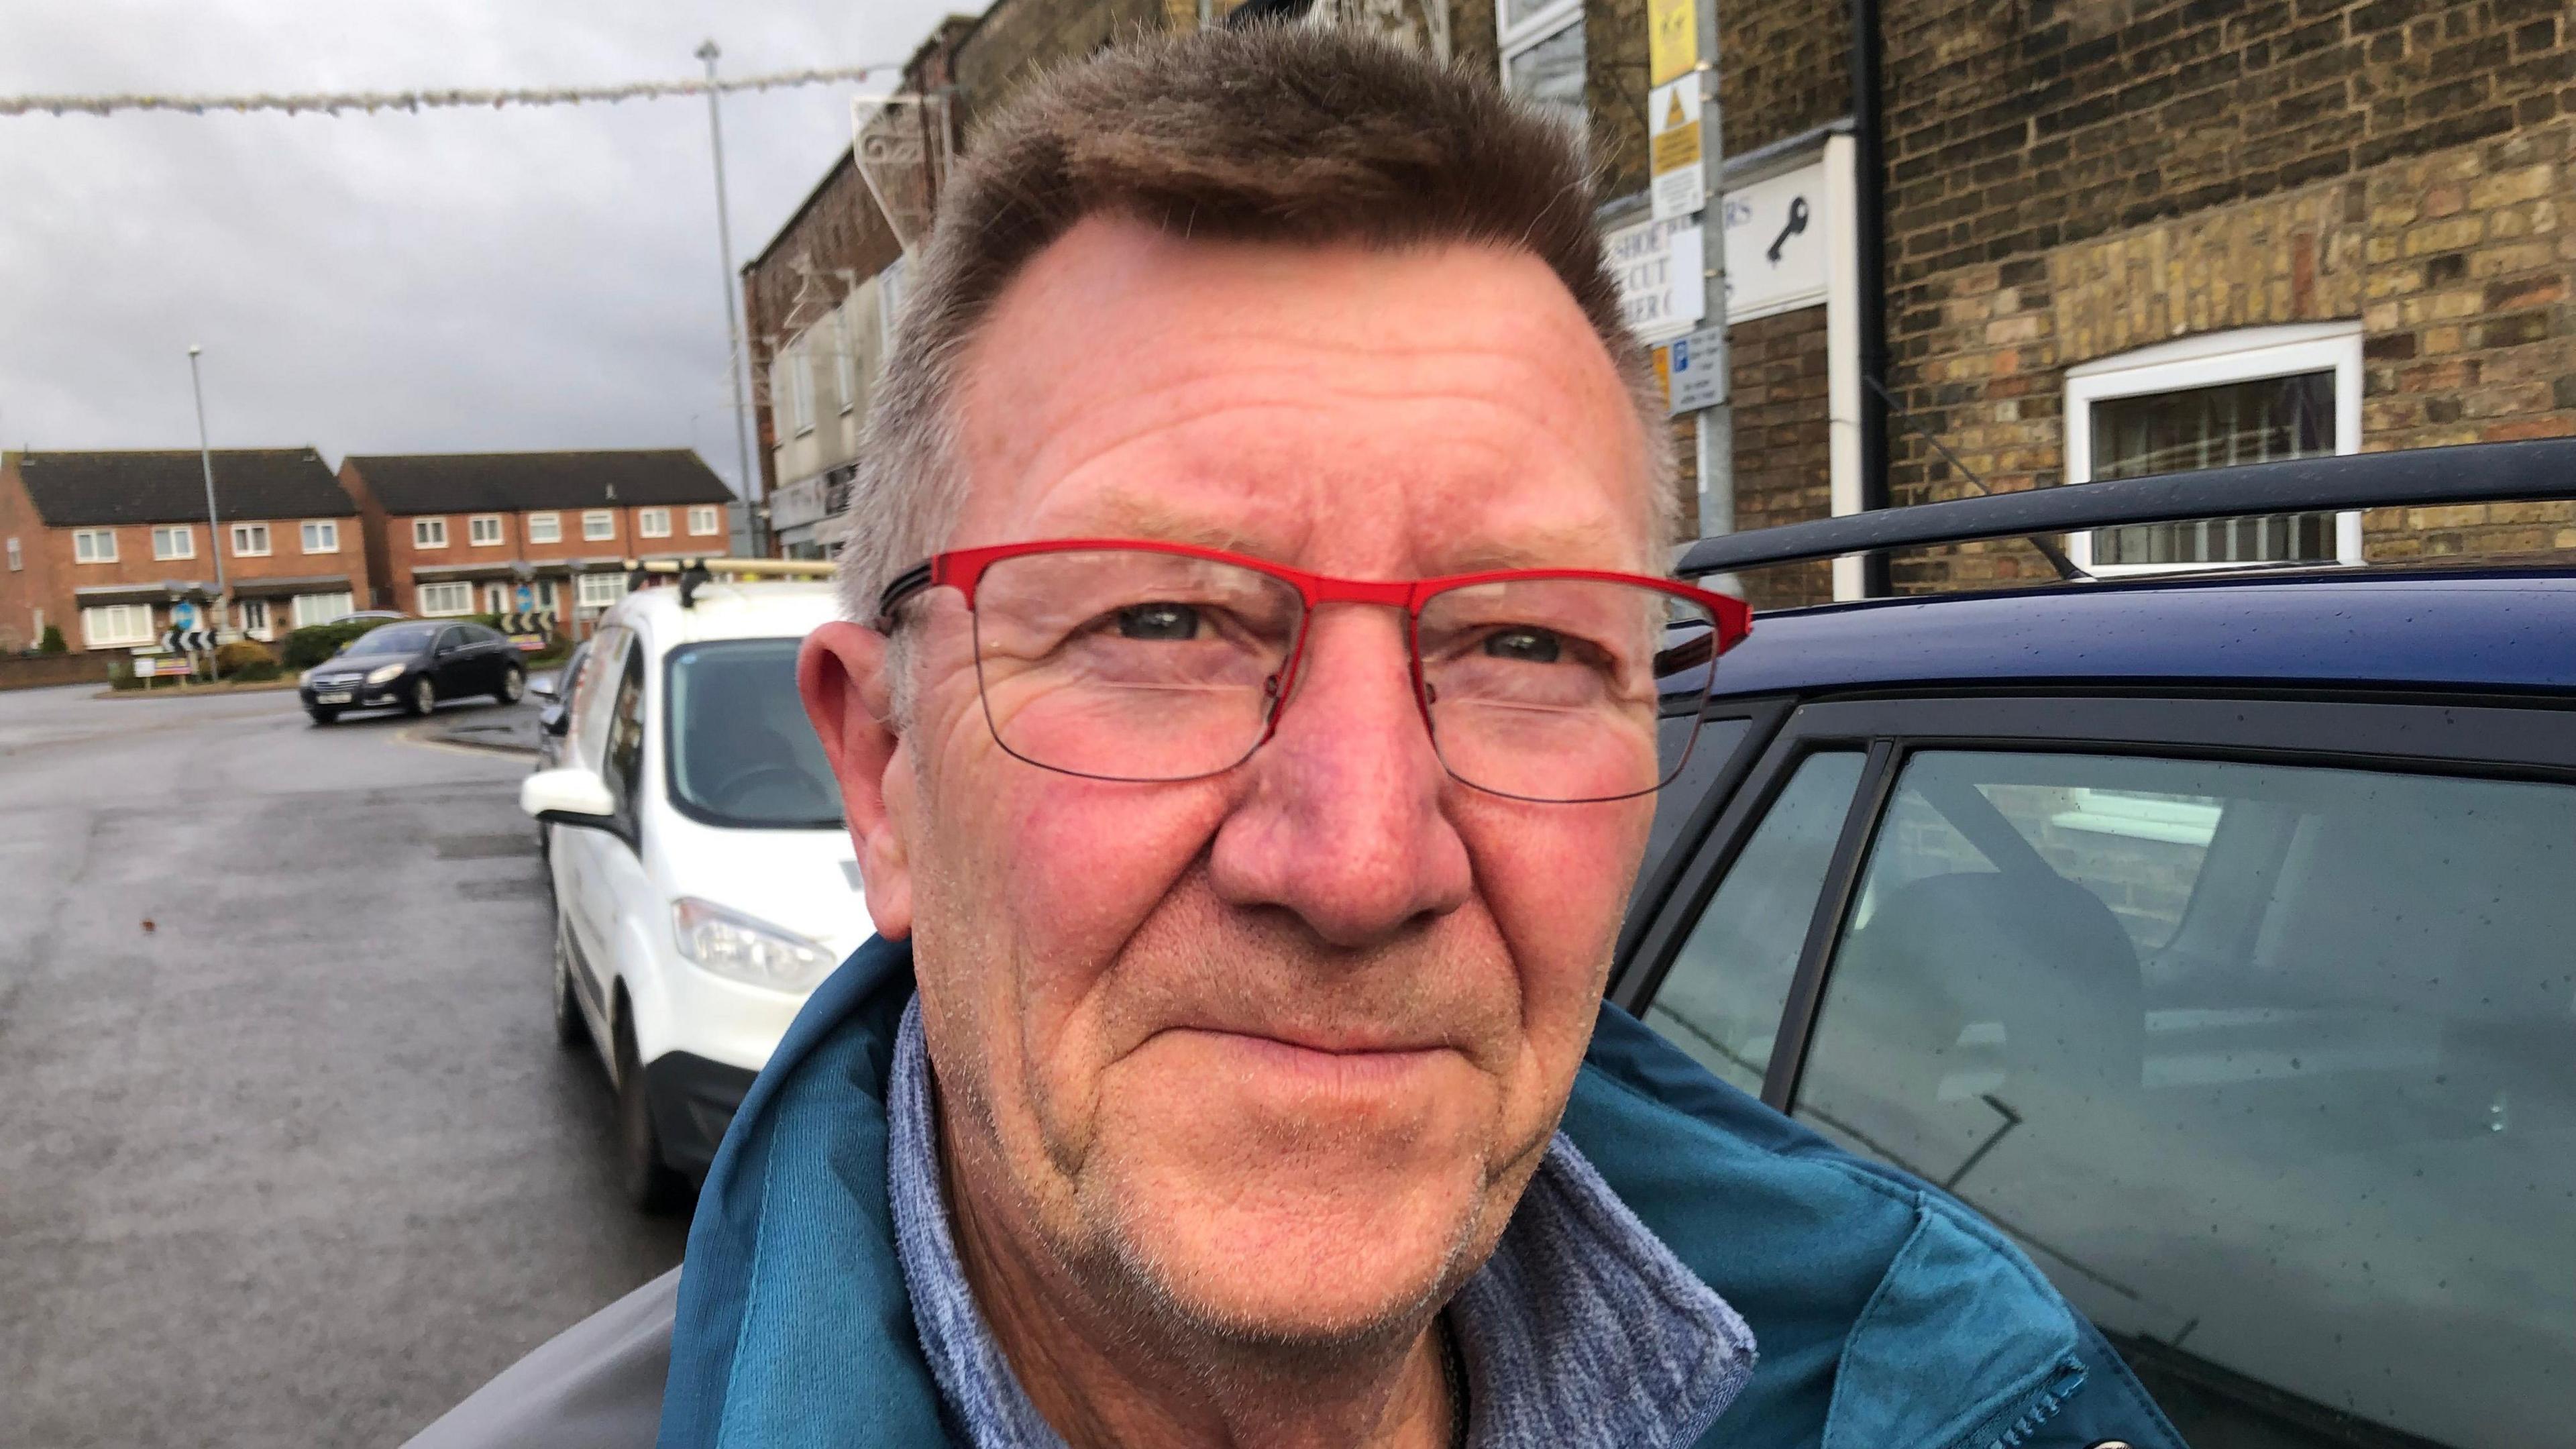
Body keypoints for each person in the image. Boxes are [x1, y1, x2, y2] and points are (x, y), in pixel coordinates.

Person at [411, 23, 2184, 1449]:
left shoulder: (1957, 1400)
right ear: (883, 779)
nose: (1357, 860)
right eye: (1157, 624)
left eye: (1521, 643)